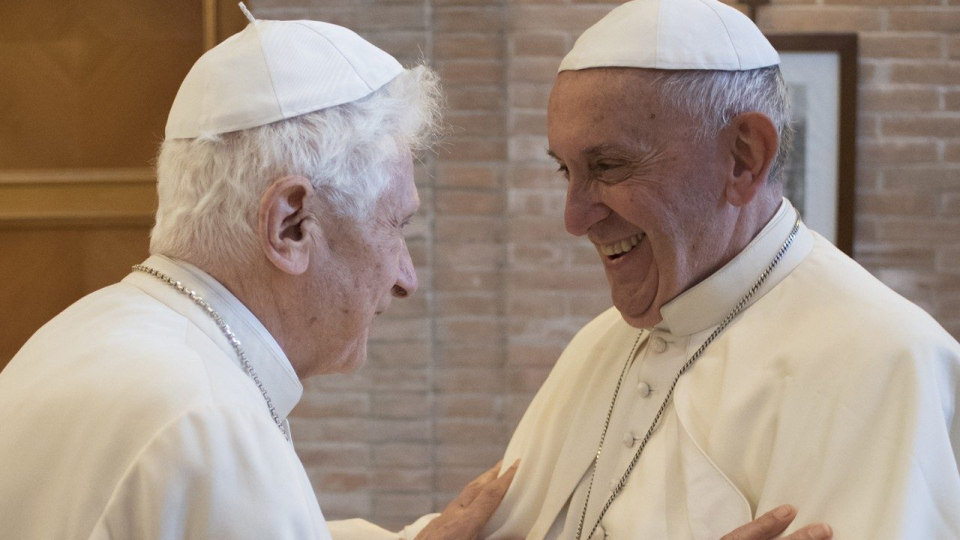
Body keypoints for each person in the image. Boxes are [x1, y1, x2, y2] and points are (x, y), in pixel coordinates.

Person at [330, 0, 960, 538]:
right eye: (565, 170)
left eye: (608, 168)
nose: (575, 217)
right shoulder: (602, 344)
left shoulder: (887, 363)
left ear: (745, 157)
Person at [0, 10, 516, 540]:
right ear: (291, 224)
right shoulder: (210, 422)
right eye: (395, 225)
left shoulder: (91, 326)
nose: (406, 278)